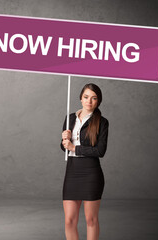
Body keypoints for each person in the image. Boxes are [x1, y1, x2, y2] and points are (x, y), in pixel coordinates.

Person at [60, 83, 109, 240]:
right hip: (72, 171)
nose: (89, 101)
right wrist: (64, 141)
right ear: (81, 98)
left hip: (91, 173)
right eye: (86, 97)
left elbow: (100, 151)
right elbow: (65, 148)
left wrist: (74, 148)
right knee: (69, 221)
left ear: (98, 101)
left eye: (94, 98)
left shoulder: (102, 122)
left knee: (91, 220)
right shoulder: (70, 119)